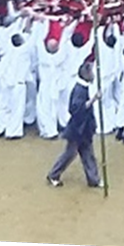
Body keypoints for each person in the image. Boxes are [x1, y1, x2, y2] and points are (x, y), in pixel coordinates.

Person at [46, 59, 103, 188]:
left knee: (88, 154)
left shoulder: (83, 88)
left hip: (85, 128)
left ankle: (93, 179)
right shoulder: (79, 89)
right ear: (86, 74)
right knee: (69, 154)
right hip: (78, 129)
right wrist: (93, 100)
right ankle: (53, 175)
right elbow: (75, 109)